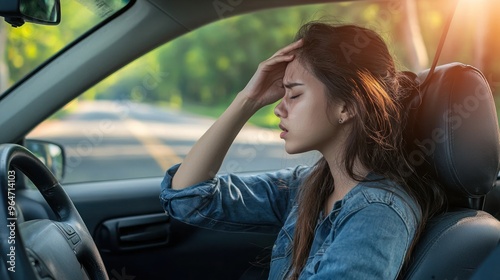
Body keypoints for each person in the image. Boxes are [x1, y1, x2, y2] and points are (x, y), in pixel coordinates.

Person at [160, 22, 446, 279]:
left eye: (294, 94)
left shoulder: (378, 213)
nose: (278, 108)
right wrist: (248, 100)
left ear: (347, 106)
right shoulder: (308, 185)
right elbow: (189, 199)